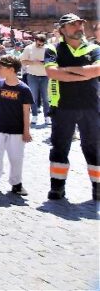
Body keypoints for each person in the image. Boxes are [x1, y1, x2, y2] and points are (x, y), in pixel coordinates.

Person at [43, 14, 99, 201]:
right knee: (60, 146)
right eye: (73, 24)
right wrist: (84, 74)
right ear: (62, 30)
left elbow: (97, 70)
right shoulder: (53, 48)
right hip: (63, 105)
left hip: (91, 105)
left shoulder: (94, 48)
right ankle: (57, 187)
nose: (79, 27)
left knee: (93, 147)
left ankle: (97, 187)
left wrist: (65, 70)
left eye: (80, 24)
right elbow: (52, 72)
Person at [0, 55, 32, 195]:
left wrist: (26, 130)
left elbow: (26, 111)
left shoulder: (24, 89)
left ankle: (16, 183)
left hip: (17, 130)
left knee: (16, 157)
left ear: (11, 69)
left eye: (1, 67)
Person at [19, 34, 51, 124]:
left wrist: (45, 62)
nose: (40, 46)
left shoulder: (48, 48)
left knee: (46, 97)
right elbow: (22, 61)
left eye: (42, 44)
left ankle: (47, 116)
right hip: (32, 75)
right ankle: (34, 115)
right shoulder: (28, 48)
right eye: (38, 44)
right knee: (33, 97)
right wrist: (33, 62)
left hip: (45, 75)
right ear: (35, 40)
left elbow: (53, 61)